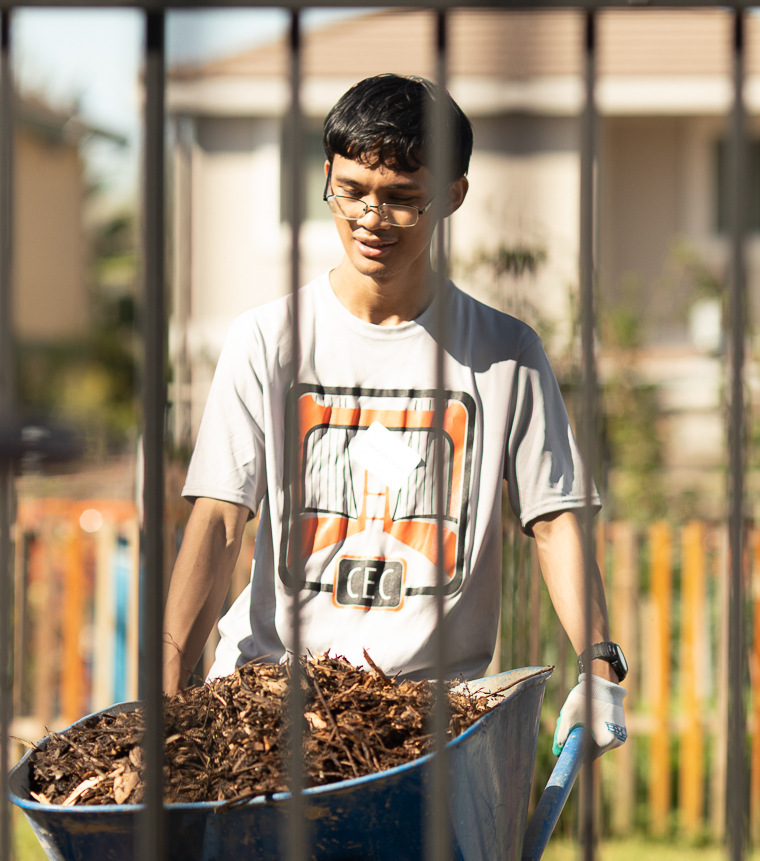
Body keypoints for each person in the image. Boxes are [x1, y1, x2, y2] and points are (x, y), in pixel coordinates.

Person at [162, 73, 630, 762]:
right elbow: (220, 518)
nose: (371, 218)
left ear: (452, 196)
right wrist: (169, 680)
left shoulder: (503, 353)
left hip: (426, 718)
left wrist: (599, 667)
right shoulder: (269, 340)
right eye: (352, 190)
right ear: (327, 176)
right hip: (267, 694)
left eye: (403, 199)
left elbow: (554, 520)